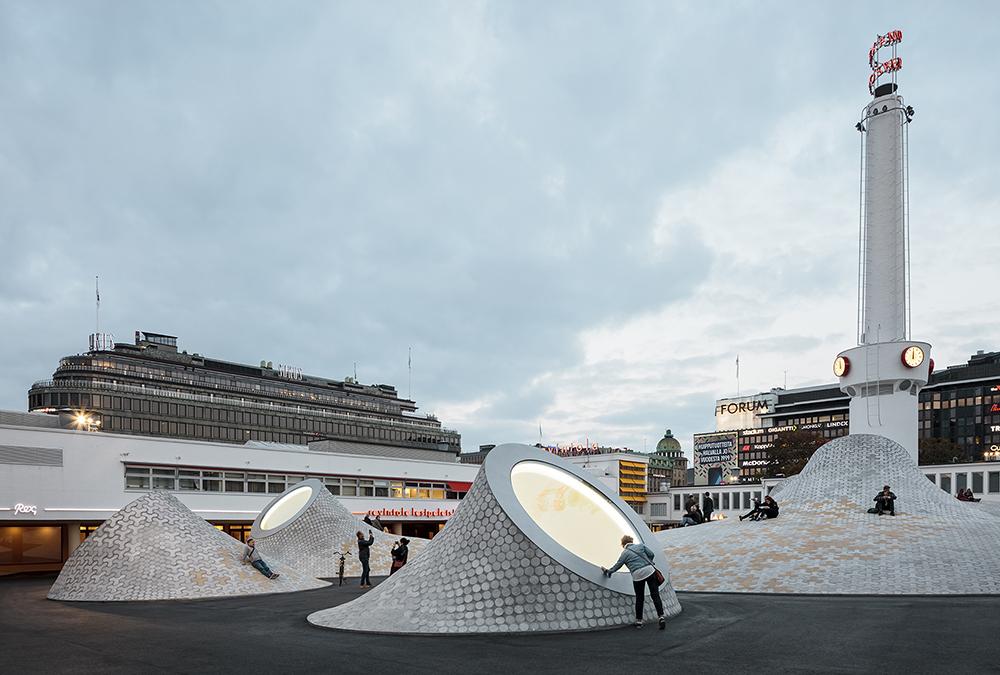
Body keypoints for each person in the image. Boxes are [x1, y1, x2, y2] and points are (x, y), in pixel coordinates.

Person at [601, 535, 666, 629]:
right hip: (649, 570)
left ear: (623, 544)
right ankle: (661, 617)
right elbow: (651, 554)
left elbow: (617, 565)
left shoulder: (624, 554)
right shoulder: (640, 546)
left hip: (637, 575)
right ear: (631, 541)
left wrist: (609, 571)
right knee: (655, 595)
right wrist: (649, 562)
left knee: (640, 598)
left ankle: (639, 621)